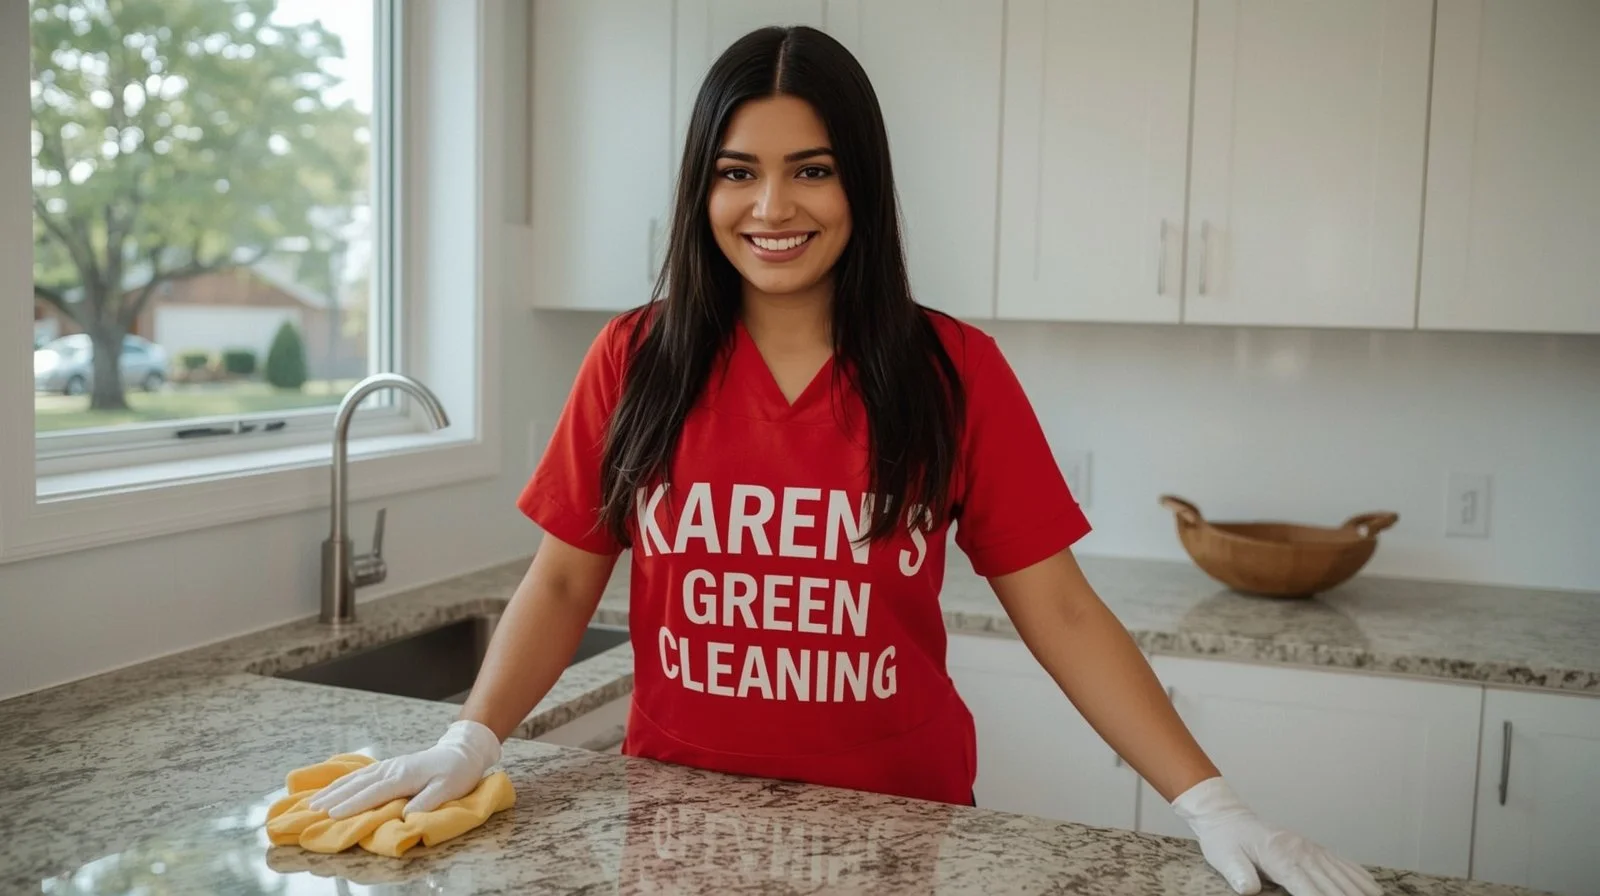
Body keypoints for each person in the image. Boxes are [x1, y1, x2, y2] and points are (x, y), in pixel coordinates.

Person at [308, 25, 1380, 896]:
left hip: (896, 830)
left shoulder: (951, 370)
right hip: (676, 826)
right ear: (701, 190)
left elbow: (1059, 609)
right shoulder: (634, 359)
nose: (772, 208)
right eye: (738, 173)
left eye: (808, 171)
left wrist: (1208, 801)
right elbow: (560, 576)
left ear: (858, 183)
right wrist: (471, 737)